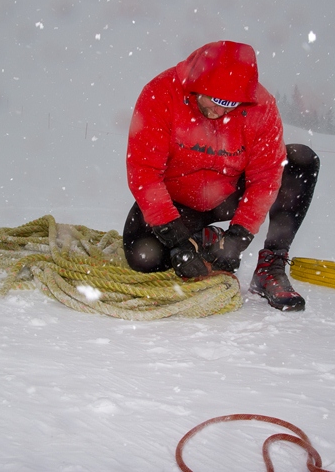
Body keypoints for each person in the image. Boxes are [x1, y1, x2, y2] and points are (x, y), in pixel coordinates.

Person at [123, 40, 319, 311]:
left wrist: (238, 238)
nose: (222, 112)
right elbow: (144, 173)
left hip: (228, 194)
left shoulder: (262, 107)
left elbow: (265, 178)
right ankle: (201, 239)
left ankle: (269, 267)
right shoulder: (161, 93)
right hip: (178, 201)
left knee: (300, 161)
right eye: (215, 101)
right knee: (142, 258)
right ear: (197, 84)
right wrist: (176, 240)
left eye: (231, 104)